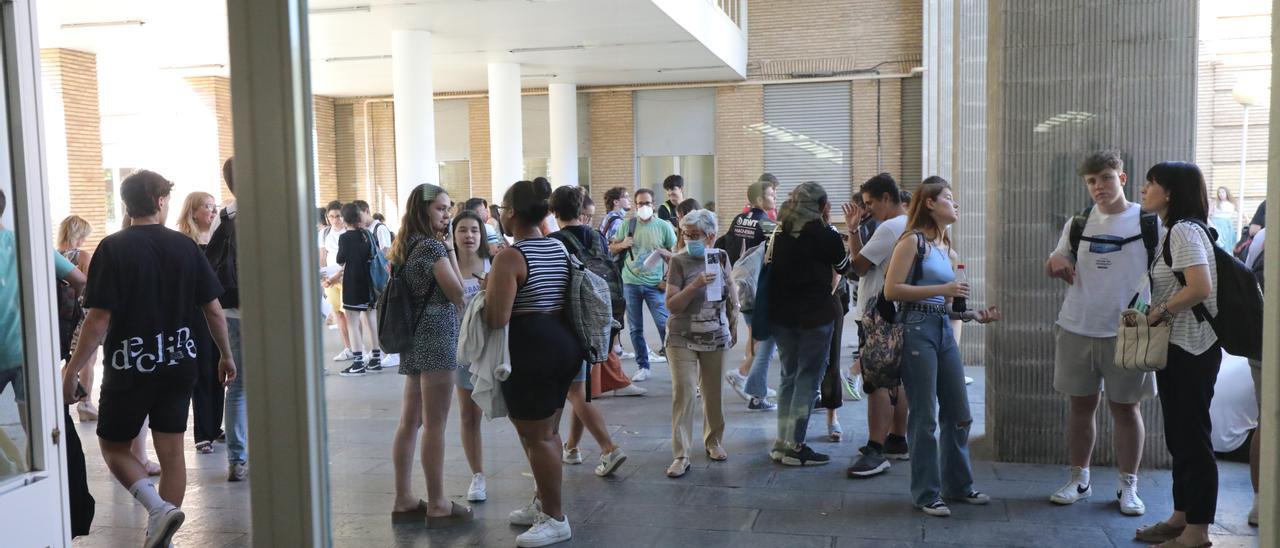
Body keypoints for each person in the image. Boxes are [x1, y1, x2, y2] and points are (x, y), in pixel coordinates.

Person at [60, 170, 236, 548]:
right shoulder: (186, 247)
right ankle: (163, 533)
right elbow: (214, 309)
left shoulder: (113, 248)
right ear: (159, 201)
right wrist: (225, 354)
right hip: (179, 363)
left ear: (126, 204)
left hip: (130, 368)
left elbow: (98, 319)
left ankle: (157, 510)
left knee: (113, 447)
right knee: (172, 453)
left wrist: (72, 368)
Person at [1041, 151, 1156, 515]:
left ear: (1121, 178)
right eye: (1091, 181)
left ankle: (1128, 486)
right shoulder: (1078, 223)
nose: (1098, 187)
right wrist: (1055, 261)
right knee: (1080, 406)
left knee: (1126, 408)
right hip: (1077, 325)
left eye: (1106, 178)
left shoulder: (1149, 221)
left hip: (1129, 330)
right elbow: (1056, 260)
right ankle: (1080, 478)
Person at [882, 180, 1000, 517]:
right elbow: (892, 290)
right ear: (930, 203)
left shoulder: (948, 249)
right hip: (916, 329)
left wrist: (973, 315)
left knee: (960, 413)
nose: (955, 203)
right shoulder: (912, 241)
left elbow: (945, 304)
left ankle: (958, 486)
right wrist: (943, 286)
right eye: (948, 198)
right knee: (924, 416)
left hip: (942, 329)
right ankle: (926, 493)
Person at [486, 179, 581, 547]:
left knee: (538, 436)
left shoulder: (510, 256)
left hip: (531, 350)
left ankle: (555, 518)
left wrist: (487, 288)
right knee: (546, 433)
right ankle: (544, 501)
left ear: (510, 212)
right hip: (562, 344)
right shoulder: (556, 247)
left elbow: (497, 317)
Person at [1133, 162, 1221, 548]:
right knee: (1181, 437)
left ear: (1169, 192)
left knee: (1193, 438)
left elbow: (1199, 287)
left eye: (1152, 184)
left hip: (1193, 347)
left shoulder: (1184, 230)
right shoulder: (1176, 230)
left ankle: (1197, 531)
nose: (1144, 189)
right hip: (1181, 347)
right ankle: (1182, 516)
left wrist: (1160, 311)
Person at [388, 183, 471, 526]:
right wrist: (450, 250)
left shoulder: (405, 245)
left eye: (448, 207)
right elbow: (457, 292)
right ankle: (437, 503)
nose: (447, 214)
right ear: (423, 211)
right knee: (434, 424)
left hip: (412, 338)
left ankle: (404, 497)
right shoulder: (431, 248)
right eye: (440, 208)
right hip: (436, 338)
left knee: (410, 421)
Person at [765, 182, 850, 467]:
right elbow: (844, 266)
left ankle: (781, 442)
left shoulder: (781, 231)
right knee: (807, 380)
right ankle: (796, 445)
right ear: (823, 206)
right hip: (815, 316)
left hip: (781, 316)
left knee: (788, 377)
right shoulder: (825, 234)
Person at [547, 186, 629, 478]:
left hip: (570, 323)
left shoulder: (555, 242)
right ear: (581, 209)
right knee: (581, 389)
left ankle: (608, 448)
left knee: (575, 392)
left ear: (554, 212)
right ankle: (571, 448)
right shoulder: (595, 236)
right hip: (598, 322)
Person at [841, 174, 912, 478]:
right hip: (898, 312)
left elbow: (857, 267)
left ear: (887, 197)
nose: (869, 209)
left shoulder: (889, 227)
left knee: (877, 382)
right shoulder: (910, 223)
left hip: (877, 314)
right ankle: (896, 439)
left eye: (871, 203)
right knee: (898, 380)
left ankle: (875, 448)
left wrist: (852, 231)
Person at [663, 209, 737, 477]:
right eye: (687, 234)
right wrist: (694, 286)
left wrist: (734, 323)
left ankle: (714, 440)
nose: (691, 239)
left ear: (711, 236)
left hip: (716, 334)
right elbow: (671, 305)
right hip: (681, 335)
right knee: (683, 392)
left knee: (713, 392)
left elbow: (731, 291)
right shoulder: (678, 261)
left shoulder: (721, 257)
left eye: (696, 235)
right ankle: (681, 454)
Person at [206, 158, 247, 481]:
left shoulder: (224, 215)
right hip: (268, 312)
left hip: (232, 310)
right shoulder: (270, 213)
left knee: (239, 387)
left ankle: (238, 459)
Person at [724, 178, 781, 411]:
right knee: (764, 341)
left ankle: (751, 379)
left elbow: (727, 246)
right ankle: (744, 375)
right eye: (771, 195)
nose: (774, 198)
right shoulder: (766, 223)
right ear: (759, 199)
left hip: (739, 285)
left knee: (756, 337)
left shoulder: (739, 219)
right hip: (757, 288)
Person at [175, 192, 225, 455]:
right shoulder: (185, 242)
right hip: (196, 312)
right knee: (203, 369)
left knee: (221, 365)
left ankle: (216, 425)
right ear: (193, 212)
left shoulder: (219, 237)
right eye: (207, 207)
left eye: (214, 206)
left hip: (220, 308)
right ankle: (203, 432)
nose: (213, 211)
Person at [610, 188, 676, 381]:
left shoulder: (663, 226)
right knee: (635, 327)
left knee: (664, 324)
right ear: (635, 205)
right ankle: (643, 365)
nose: (643, 207)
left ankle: (675, 364)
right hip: (630, 282)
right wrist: (622, 244)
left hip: (655, 285)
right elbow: (612, 247)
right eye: (639, 203)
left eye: (647, 203)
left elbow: (673, 257)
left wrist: (666, 280)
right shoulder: (627, 224)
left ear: (653, 205)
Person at [449, 210, 492, 503]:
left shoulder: (495, 261)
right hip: (462, 348)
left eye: (474, 230)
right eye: (462, 230)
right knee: (469, 414)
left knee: (517, 415)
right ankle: (477, 475)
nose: (469, 236)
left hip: (494, 347)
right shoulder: (446, 266)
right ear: (453, 235)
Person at [333, 203, 383, 376]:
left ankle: (358, 362)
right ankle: (376, 359)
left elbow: (341, 259)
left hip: (354, 283)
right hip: (370, 284)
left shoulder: (346, 237)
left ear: (344, 219)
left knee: (352, 322)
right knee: (371, 319)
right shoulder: (368, 234)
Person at [57, 215, 98, 422]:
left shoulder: (55, 255)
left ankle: (60, 400)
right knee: (88, 358)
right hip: (82, 313)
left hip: (62, 316)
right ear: (79, 234)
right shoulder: (82, 256)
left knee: (70, 359)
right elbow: (91, 286)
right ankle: (86, 403)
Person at [1244, 225, 1266, 526]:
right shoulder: (1266, 237)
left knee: (1267, 420)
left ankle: (1260, 502)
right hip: (1265, 347)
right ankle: (1261, 501)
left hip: (1261, 343)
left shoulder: (1263, 236)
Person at [320, 201, 354, 361]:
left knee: (349, 314)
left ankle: (358, 347)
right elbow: (322, 255)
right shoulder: (325, 233)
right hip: (330, 278)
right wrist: (323, 277)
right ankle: (348, 348)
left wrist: (337, 276)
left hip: (346, 276)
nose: (335, 220)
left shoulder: (349, 233)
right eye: (332, 217)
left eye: (338, 216)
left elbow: (350, 259)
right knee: (338, 314)